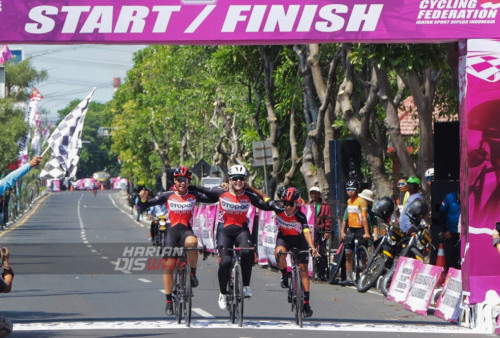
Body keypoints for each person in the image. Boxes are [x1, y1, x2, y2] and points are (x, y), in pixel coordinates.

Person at [138, 166, 219, 316]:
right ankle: (169, 301)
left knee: (193, 243)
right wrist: (143, 198)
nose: (183, 183)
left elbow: (214, 198)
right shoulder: (167, 195)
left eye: (186, 180)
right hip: (172, 231)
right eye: (180, 180)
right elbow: (146, 204)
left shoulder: (193, 195)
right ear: (175, 180)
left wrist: (197, 187)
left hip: (186, 230)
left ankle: (192, 274)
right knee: (169, 265)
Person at [201, 164, 274, 310]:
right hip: (224, 231)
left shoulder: (248, 195)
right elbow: (201, 191)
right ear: (229, 179)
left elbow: (267, 205)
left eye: (241, 179)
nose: (238, 182)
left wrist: (252, 189)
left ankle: (246, 286)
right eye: (235, 179)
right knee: (225, 262)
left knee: (247, 252)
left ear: (245, 180)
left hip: (241, 230)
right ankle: (223, 293)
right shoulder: (222, 192)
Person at [267, 187, 318, 317]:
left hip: (299, 240)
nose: (288, 207)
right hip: (284, 239)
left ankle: (306, 303)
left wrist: (311, 246)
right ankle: (284, 275)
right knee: (279, 253)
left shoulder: (300, 216)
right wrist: (249, 187)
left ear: (296, 203)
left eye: (291, 204)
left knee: (304, 270)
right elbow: (264, 199)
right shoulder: (278, 209)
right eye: (285, 203)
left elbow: (306, 231)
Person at [339, 180, 371, 286]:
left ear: (357, 190)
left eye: (352, 190)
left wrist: (366, 232)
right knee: (348, 253)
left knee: (363, 255)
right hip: (351, 229)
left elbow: (364, 218)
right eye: (348, 190)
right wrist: (342, 231)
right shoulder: (349, 201)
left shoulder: (361, 201)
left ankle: (365, 276)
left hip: (360, 229)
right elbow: (345, 218)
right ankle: (348, 278)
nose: (350, 192)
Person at [308, 186, 332, 281]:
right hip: (310, 231)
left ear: (319, 194)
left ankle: (322, 272)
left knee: (322, 252)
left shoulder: (324, 205)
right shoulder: (308, 204)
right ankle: (311, 270)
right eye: (312, 193)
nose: (313, 195)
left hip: (320, 230)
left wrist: (326, 231)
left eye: (315, 193)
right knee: (310, 250)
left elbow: (328, 219)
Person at [440, 190, 461, 270]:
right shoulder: (449, 197)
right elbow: (441, 214)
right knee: (450, 256)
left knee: (461, 256)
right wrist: (445, 230)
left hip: (463, 233)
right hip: (450, 232)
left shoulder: (469, 198)